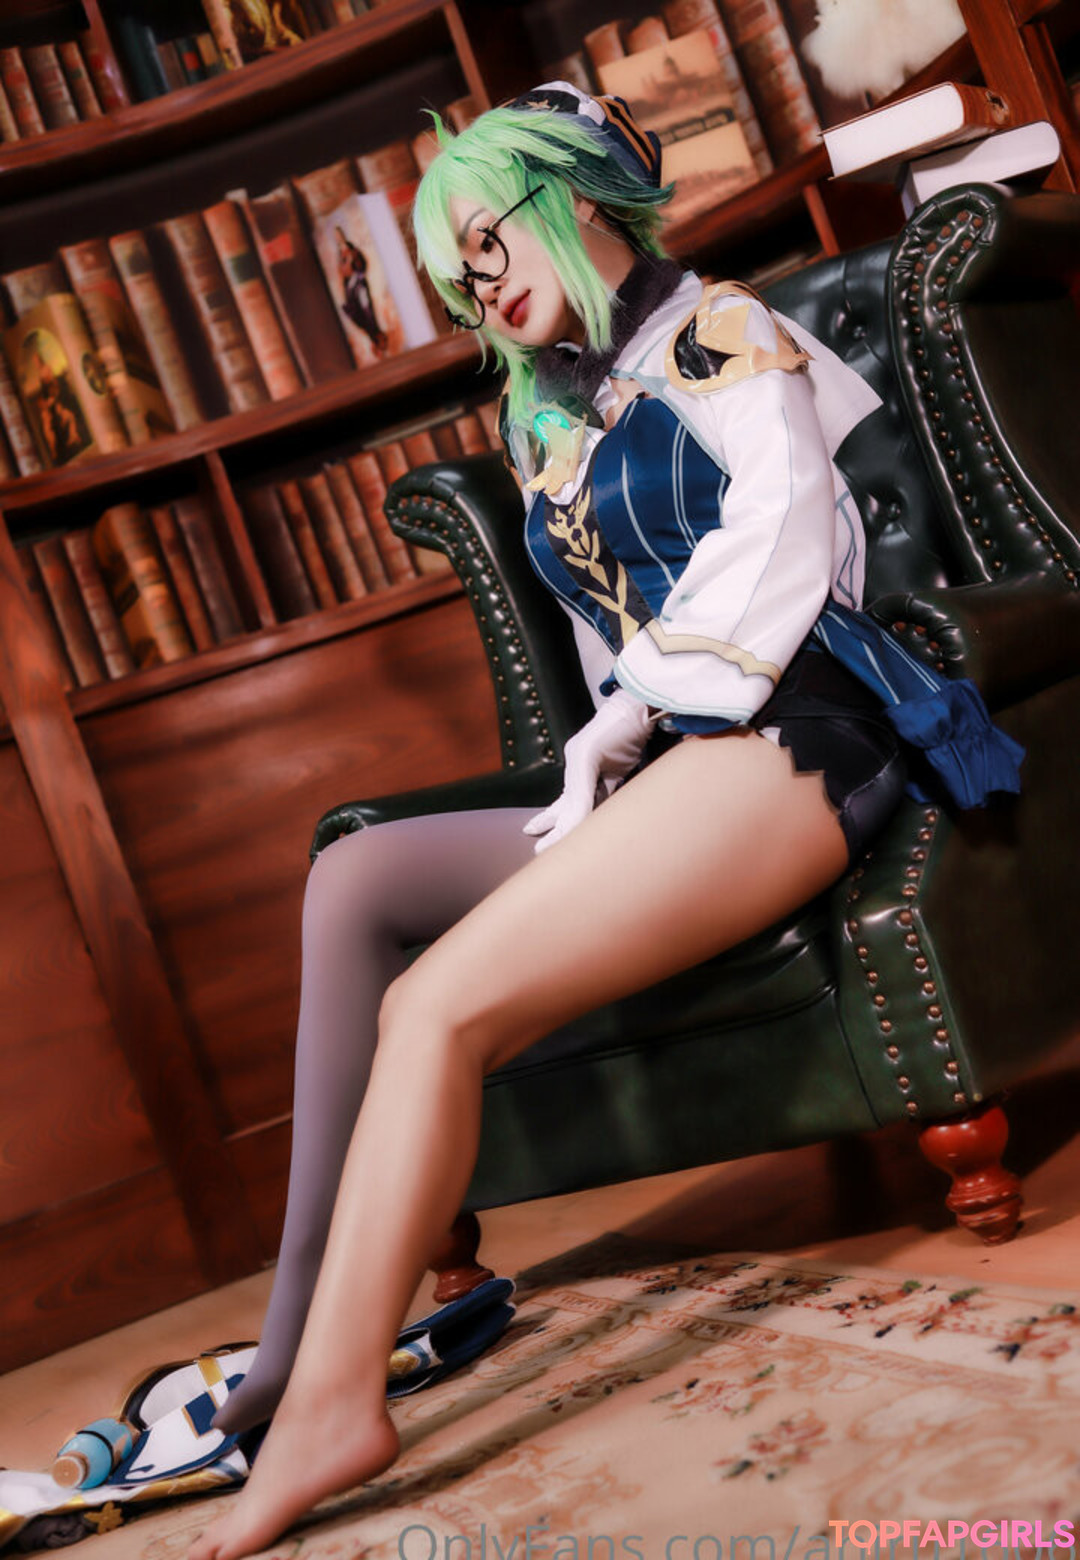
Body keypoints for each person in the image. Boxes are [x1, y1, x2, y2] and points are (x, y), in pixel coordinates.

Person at [191, 84, 1021, 1560]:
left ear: (576, 197)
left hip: (786, 734)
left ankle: (332, 1411)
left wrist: (623, 723)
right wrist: (610, 753)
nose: (480, 286)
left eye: (489, 240)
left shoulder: (729, 335)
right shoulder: (546, 412)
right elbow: (603, 637)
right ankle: (289, 1344)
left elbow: (787, 553)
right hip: (665, 766)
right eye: (455, 276)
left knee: (435, 1006)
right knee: (355, 878)